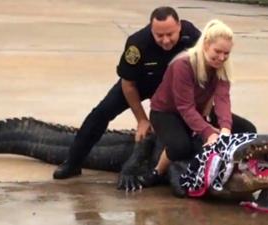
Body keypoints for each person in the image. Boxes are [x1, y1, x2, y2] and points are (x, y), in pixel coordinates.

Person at [53, 6, 201, 179]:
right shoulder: (137, 44)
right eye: (159, 35)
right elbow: (128, 83)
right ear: (151, 29)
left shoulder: (192, 36)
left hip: (172, 86)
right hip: (141, 82)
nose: (166, 40)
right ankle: (73, 162)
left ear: (179, 27)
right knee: (100, 114)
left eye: (170, 34)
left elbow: (206, 68)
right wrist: (142, 120)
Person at [143, 19, 256, 185]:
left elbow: (222, 99)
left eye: (226, 54)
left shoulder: (223, 66)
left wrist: (225, 129)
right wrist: (208, 132)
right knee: (180, 147)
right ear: (205, 45)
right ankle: (157, 172)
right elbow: (185, 107)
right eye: (217, 51)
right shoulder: (182, 64)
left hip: (200, 110)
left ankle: (235, 169)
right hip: (166, 112)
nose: (221, 57)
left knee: (248, 130)